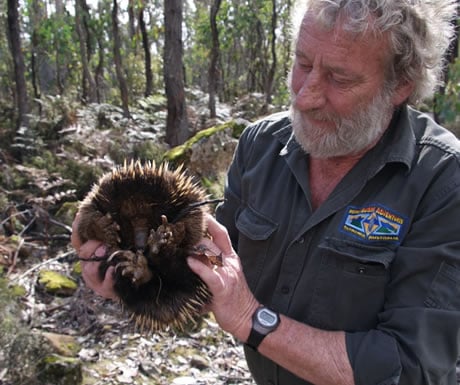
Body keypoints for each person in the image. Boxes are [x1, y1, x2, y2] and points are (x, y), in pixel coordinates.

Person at [72, 0, 460, 384]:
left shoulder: (443, 181)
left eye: (339, 79)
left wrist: (252, 319)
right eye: (303, 63)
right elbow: (213, 280)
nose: (305, 96)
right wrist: (134, 271)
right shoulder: (262, 146)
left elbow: (411, 368)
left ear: (401, 85)